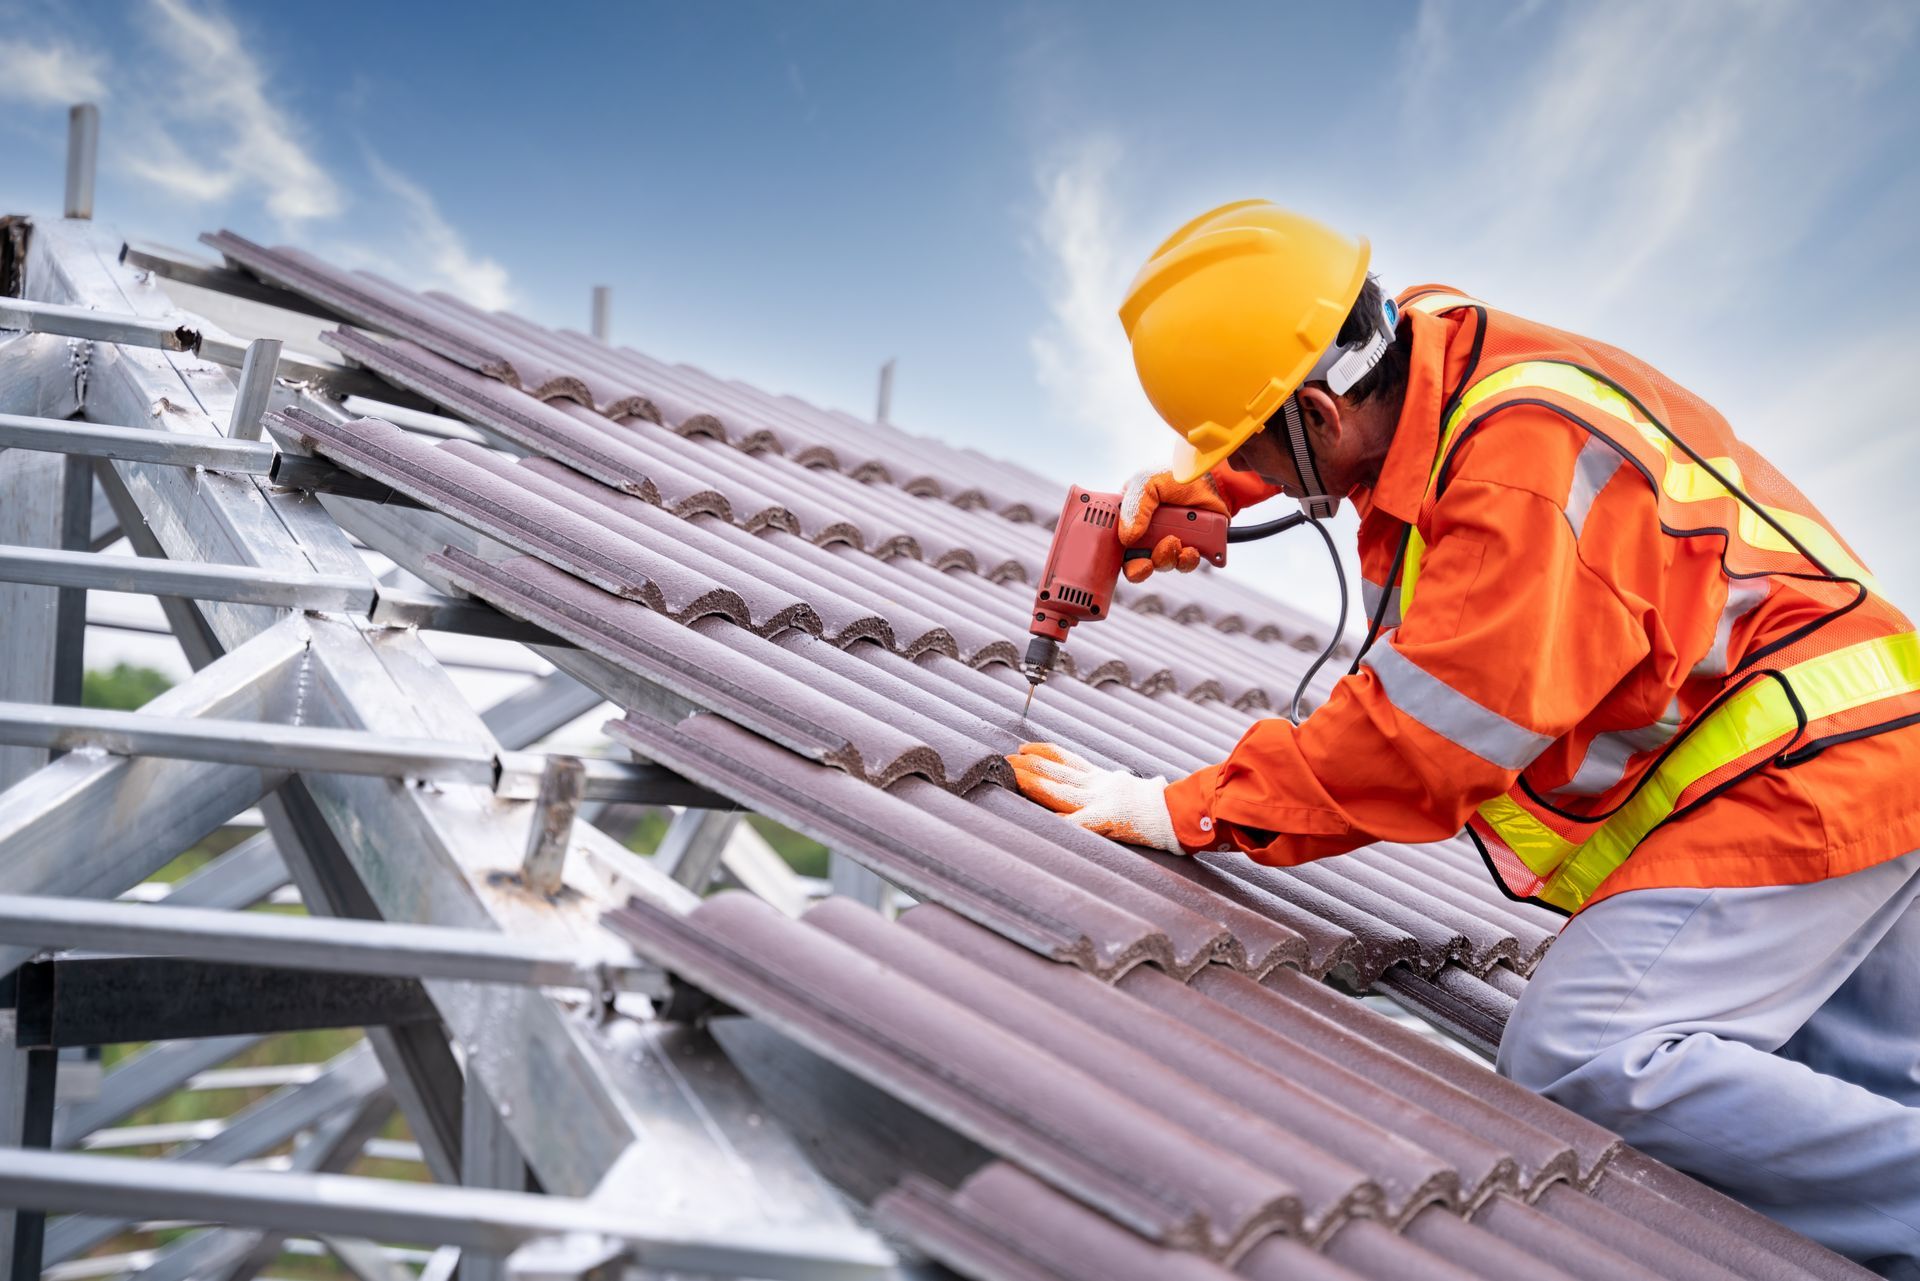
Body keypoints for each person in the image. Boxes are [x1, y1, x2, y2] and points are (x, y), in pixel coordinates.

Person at [1005, 200, 1920, 1276]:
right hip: (1872, 753)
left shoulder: (1522, 492)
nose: (1248, 461)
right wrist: (1197, 492)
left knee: (1587, 1054)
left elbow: (1416, 745)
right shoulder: (1434, 349)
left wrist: (1178, 809)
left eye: (1246, 437)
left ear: (1316, 410)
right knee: (1879, 1098)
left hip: (1802, 780)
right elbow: (1345, 430)